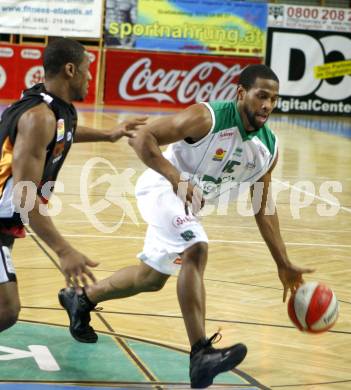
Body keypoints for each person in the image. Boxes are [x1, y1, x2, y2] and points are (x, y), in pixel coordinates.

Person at [59, 64, 314, 388]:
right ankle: (201, 354)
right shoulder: (206, 118)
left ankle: (81, 299)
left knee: (150, 278)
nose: (267, 105)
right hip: (162, 188)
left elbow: (263, 206)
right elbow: (142, 137)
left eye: (273, 99)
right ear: (240, 94)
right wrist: (177, 179)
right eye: (261, 96)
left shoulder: (268, 149)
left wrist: (283, 262)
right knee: (197, 248)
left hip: (188, 207)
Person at [0, 37, 146, 334]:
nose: (90, 76)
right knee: (6, 310)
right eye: (87, 69)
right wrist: (64, 250)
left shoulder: (54, 108)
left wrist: (109, 135)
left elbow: (64, 133)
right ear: (70, 69)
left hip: (5, 221)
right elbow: (25, 198)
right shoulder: (38, 118)